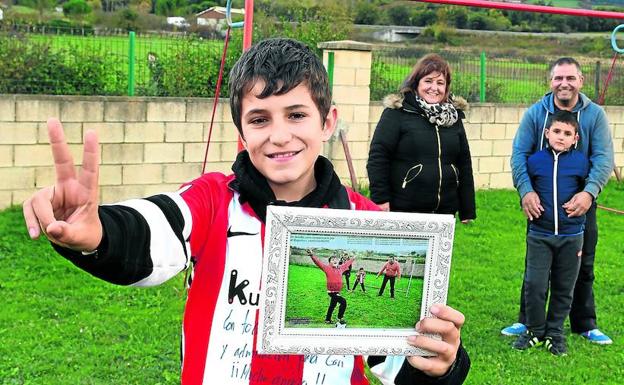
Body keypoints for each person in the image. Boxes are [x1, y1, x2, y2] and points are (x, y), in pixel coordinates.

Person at [22, 38, 470, 384]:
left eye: (296, 115)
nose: (278, 136)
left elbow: (395, 358)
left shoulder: (371, 224)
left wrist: (439, 364)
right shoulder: (214, 200)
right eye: (260, 119)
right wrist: (99, 232)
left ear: (327, 122)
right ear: (241, 130)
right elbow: (157, 227)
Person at [505, 57, 614, 345]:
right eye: (558, 78)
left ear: (581, 81)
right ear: (550, 82)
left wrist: (589, 193)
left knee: (584, 265)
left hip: (580, 205)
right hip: (541, 206)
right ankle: (528, 322)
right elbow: (519, 155)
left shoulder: (595, 116)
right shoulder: (535, 114)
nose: (564, 83)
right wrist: (526, 191)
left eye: (570, 78)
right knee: (535, 269)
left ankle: (584, 323)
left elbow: (603, 158)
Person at [511, 110, 588, 356]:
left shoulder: (581, 162)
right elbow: (525, 188)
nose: (561, 137)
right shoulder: (535, 161)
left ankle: (555, 332)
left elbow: (589, 192)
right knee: (534, 285)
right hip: (539, 235)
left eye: (567, 133)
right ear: (547, 133)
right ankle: (534, 330)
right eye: (557, 131)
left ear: (575, 138)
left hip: (571, 235)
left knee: (564, 286)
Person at [367, 53, 476, 223]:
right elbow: (378, 157)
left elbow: (464, 162)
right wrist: (380, 199)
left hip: (444, 213)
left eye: (440, 83)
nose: (434, 87)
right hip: (404, 210)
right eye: (428, 81)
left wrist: (467, 208)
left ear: (446, 88)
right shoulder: (397, 113)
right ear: (416, 82)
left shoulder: (453, 117)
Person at [307, 249, 353, 324]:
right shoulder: (327, 268)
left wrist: (353, 258)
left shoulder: (341, 268)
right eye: (332, 260)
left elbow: (348, 263)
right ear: (329, 262)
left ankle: (327, 320)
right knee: (343, 302)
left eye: (336, 260)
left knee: (332, 306)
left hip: (337, 291)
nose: (335, 260)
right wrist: (312, 255)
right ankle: (340, 317)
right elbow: (318, 263)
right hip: (332, 292)